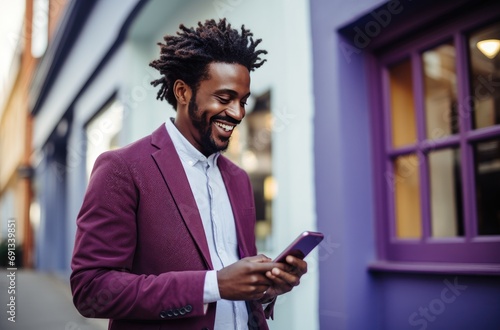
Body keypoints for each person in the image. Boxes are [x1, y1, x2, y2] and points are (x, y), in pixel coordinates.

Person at [70, 18, 307, 330]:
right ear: (183, 92)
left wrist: (263, 288)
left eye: (243, 101)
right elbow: (92, 290)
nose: (237, 113)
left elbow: (232, 289)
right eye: (224, 98)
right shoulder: (123, 168)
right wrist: (213, 285)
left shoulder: (238, 178)